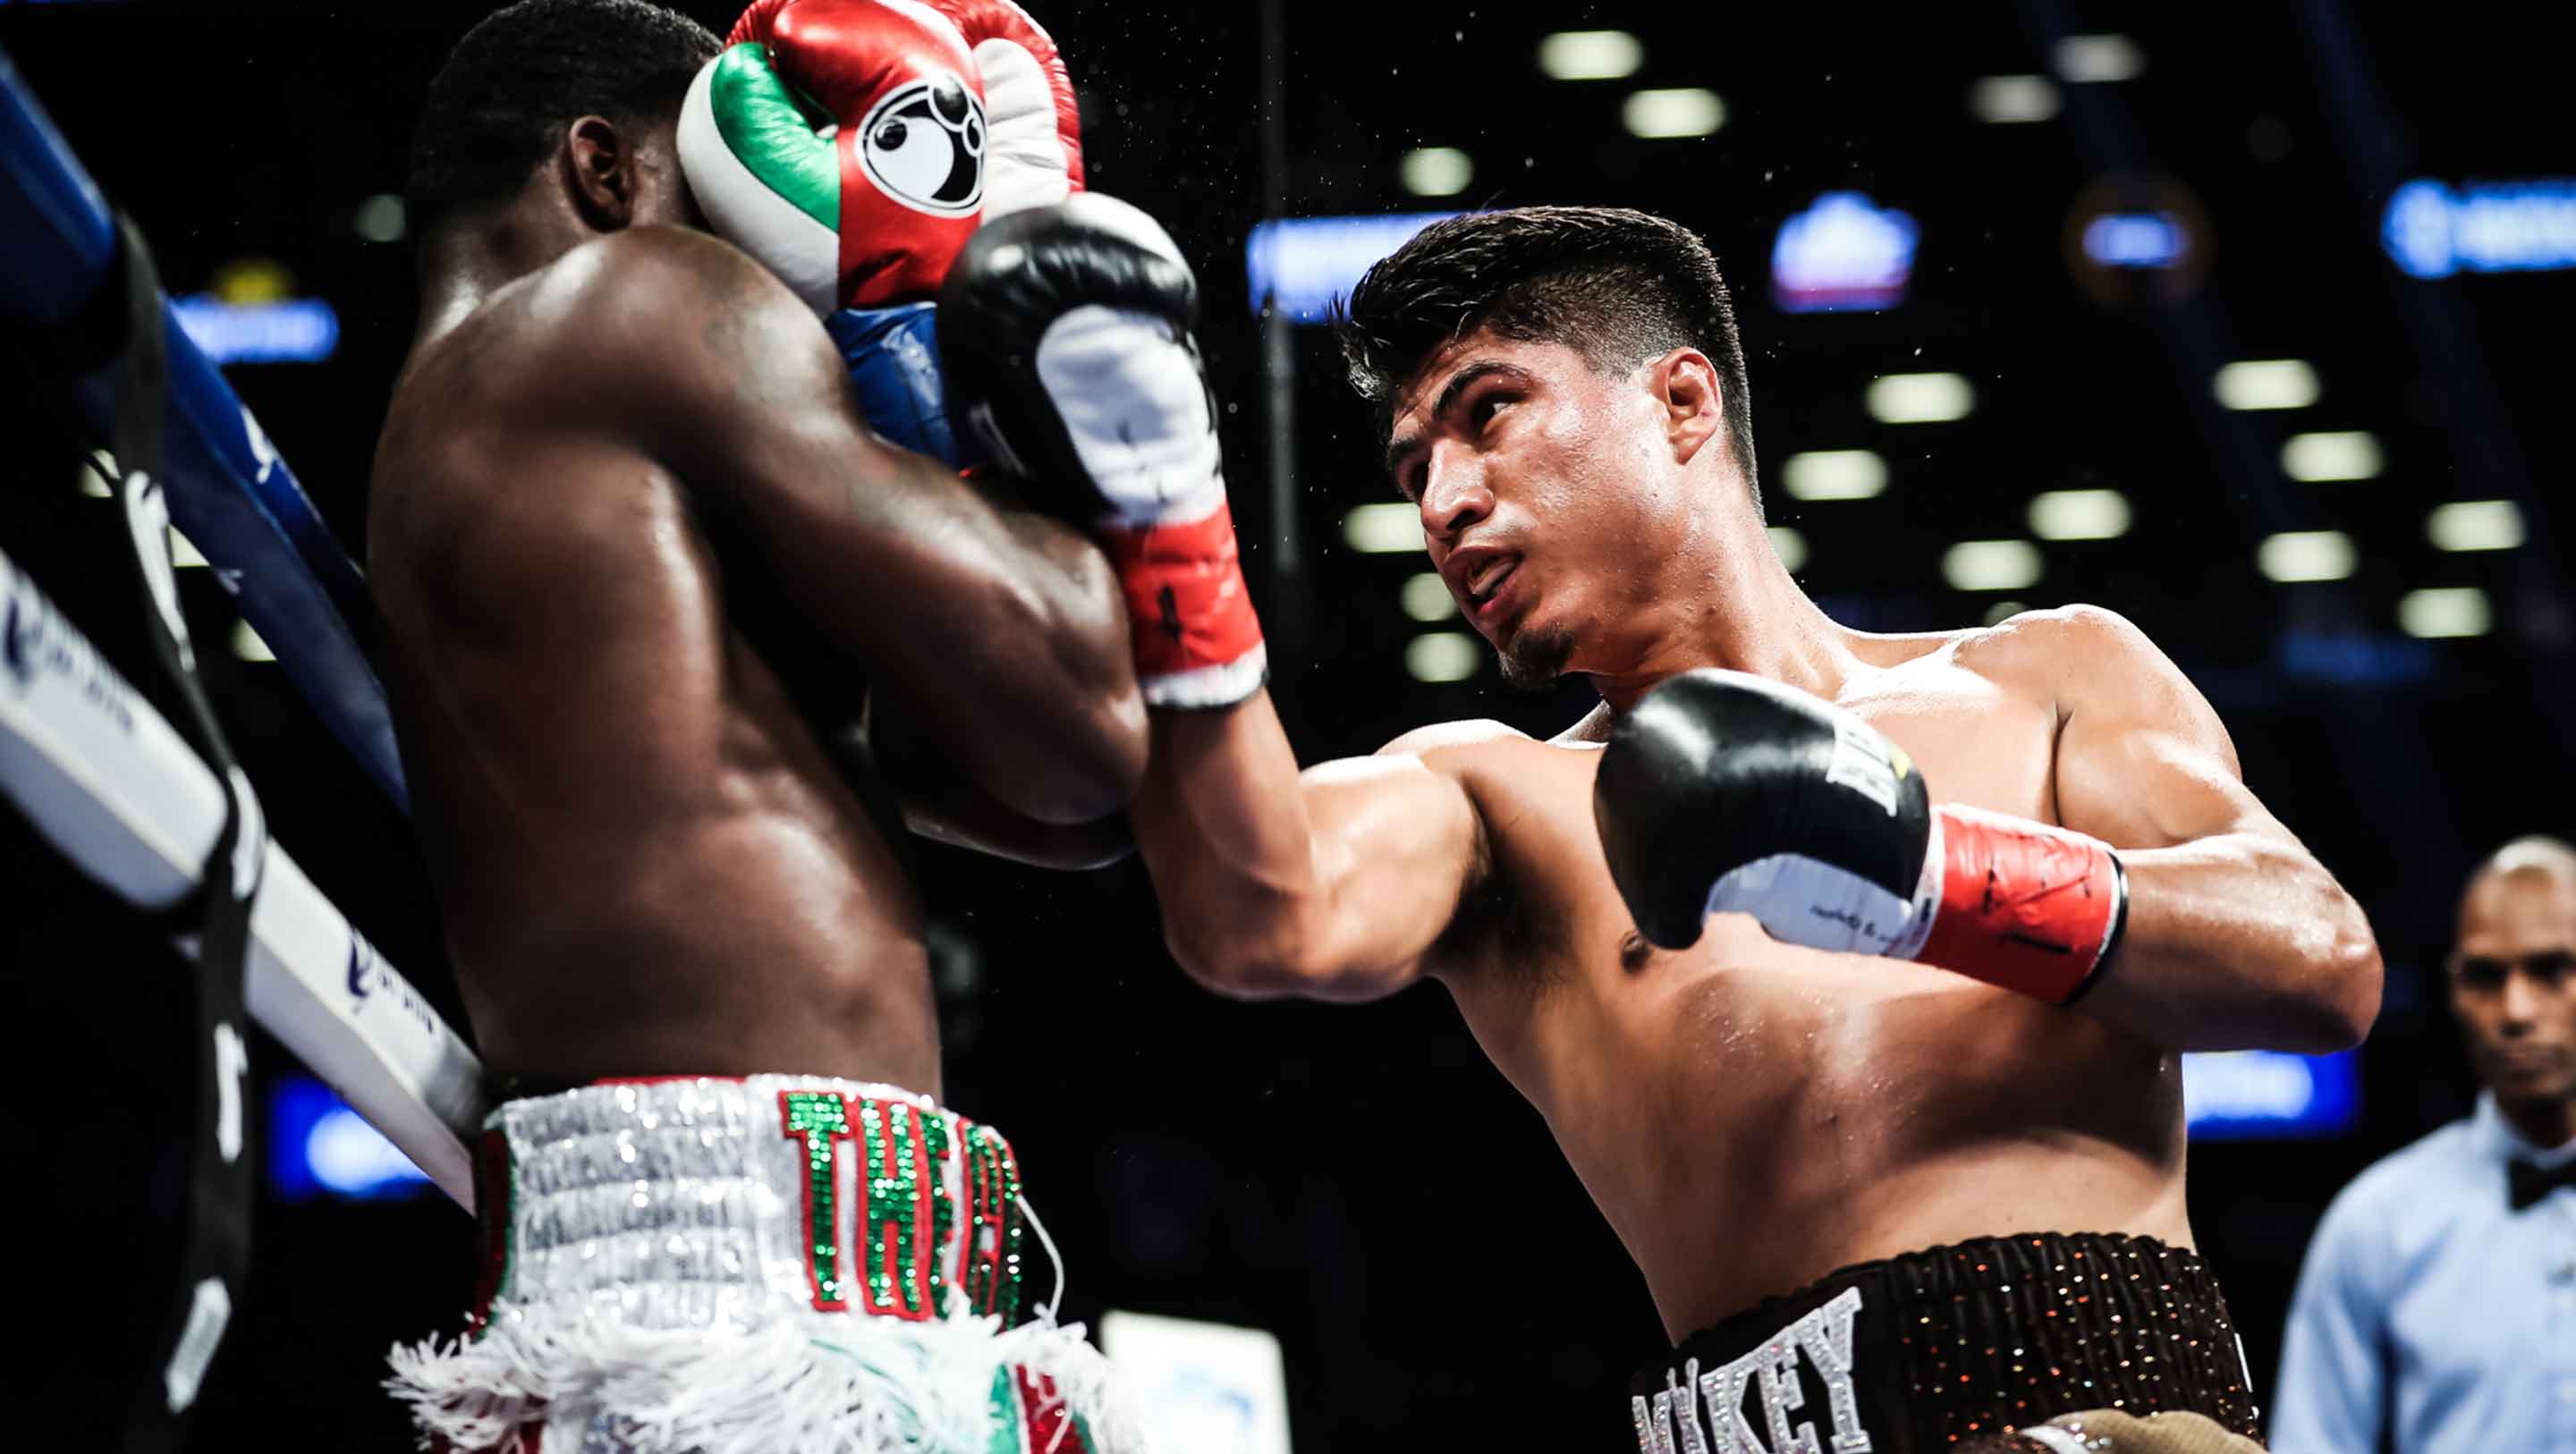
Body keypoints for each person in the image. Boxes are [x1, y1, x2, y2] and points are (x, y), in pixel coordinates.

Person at [1104, 206, 2380, 1451]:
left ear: (1681, 403)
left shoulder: (2050, 679)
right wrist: (1164, 524)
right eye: (1412, 467)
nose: (1442, 499)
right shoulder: (1496, 802)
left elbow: (2323, 964)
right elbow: (1254, 910)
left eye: (1488, 414)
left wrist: (1927, 878)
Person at [362, 2, 1241, 1449]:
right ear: (605, 170)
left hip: (694, 1277)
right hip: (760, 1292)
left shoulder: (485, 441)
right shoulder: (633, 299)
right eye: (733, 191)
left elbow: (1070, 799)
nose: (786, 260)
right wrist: (942, 313)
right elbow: (1096, 715)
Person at [2271, 836, 2576, 1453]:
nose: (2515, 1010)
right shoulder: (2378, 1222)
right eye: (2486, 977)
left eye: (2551, 970)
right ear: (2454, 990)